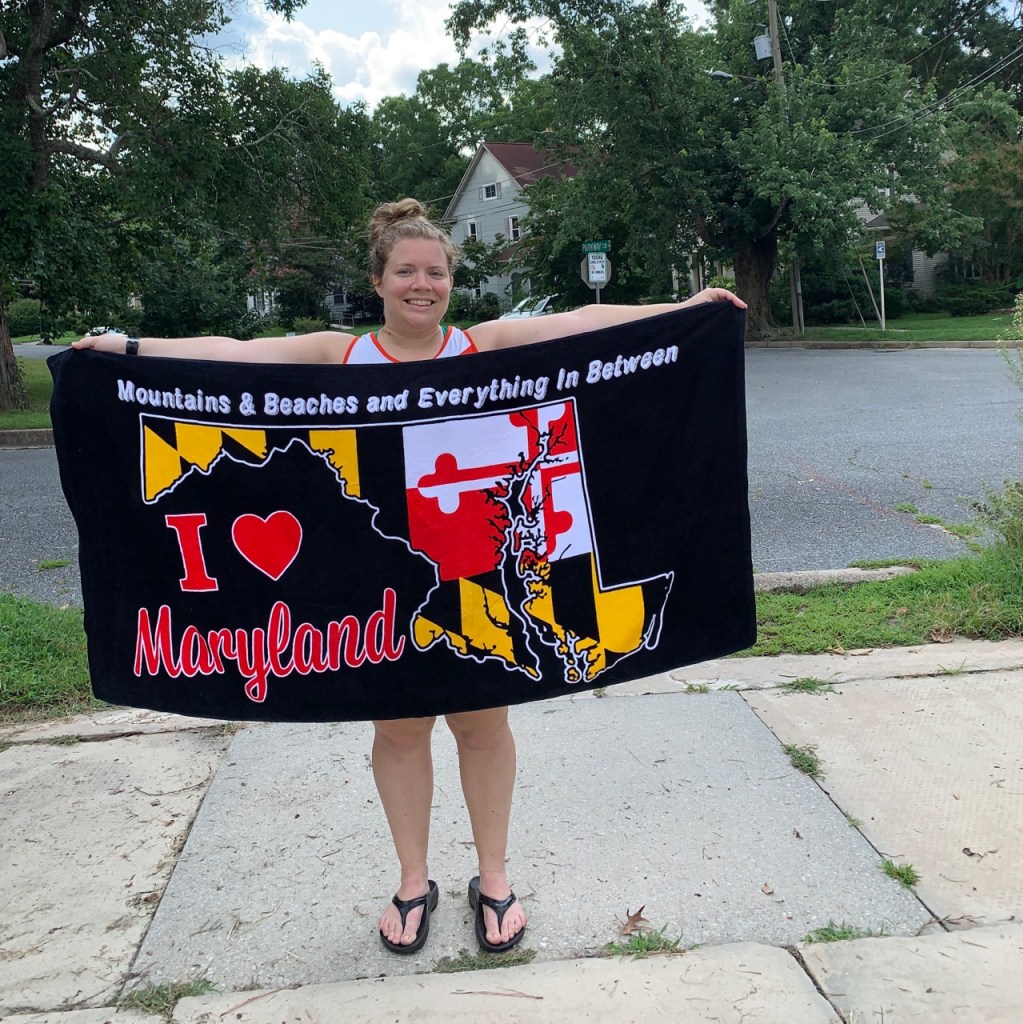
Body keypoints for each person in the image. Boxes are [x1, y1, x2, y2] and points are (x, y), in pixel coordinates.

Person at [75, 198, 745, 955]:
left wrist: (684, 308)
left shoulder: (486, 345)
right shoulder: (340, 355)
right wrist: (127, 348)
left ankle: (495, 877)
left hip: (475, 576)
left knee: (482, 726)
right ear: (378, 279)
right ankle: (413, 878)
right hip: (383, 578)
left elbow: (584, 324)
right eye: (405, 271)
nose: (421, 285)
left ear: (451, 281)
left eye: (435, 272)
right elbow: (234, 352)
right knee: (398, 730)